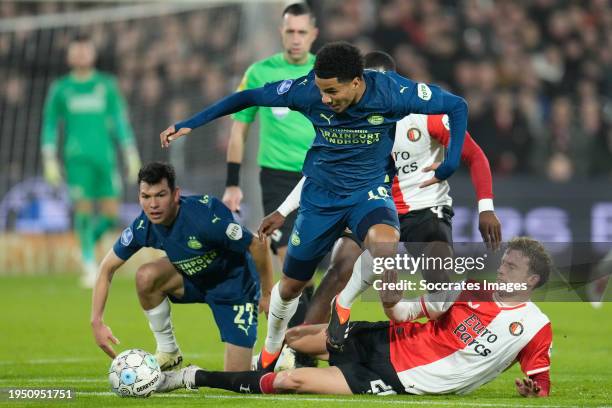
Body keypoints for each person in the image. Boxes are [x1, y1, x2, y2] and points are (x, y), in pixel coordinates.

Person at [159, 41, 468, 369]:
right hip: (320, 198)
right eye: (321, 90)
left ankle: (349, 304)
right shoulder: (305, 90)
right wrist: (191, 122)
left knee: (384, 242)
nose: (324, 99)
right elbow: (248, 96)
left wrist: (449, 164)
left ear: (356, 82)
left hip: (368, 193)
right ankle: (273, 343)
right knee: (291, 286)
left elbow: (457, 106)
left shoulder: (392, 92)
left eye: (332, 91)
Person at [260, 50, 502, 325]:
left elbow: (475, 155)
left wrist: (486, 208)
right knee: (339, 269)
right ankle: (299, 350)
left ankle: (443, 352)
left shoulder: (425, 114)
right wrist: (284, 209)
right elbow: (323, 174)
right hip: (368, 207)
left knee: (439, 276)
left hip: (423, 210)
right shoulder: (349, 120)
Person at [156, 237, 553, 398]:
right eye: (504, 263)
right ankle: (293, 352)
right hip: (387, 337)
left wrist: (533, 393)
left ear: (532, 280)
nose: (502, 271)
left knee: (290, 380)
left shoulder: (535, 326)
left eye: (512, 268)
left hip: (400, 377)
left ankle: (191, 376)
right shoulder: (468, 288)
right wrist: (391, 301)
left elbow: (541, 385)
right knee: (296, 338)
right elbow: (407, 312)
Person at [90, 162, 273, 371]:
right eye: (146, 197)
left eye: (160, 195)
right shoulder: (144, 225)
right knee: (146, 276)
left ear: (176, 194)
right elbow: (106, 268)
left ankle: (265, 359)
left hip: (234, 286)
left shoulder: (204, 219)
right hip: (193, 278)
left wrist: (267, 294)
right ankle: (168, 351)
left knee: (236, 378)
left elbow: (257, 245)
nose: (153, 205)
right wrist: (96, 321)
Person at [41, 34, 141, 288]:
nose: (82, 55)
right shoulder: (61, 88)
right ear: (69, 56)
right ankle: (88, 263)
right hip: (77, 159)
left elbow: (120, 121)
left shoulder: (107, 85)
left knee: (111, 214)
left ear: (93, 54)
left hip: (105, 158)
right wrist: (49, 157)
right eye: (77, 51)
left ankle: (85, 245)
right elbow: (50, 124)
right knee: (83, 211)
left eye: (86, 50)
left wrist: (130, 152)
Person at [224, 2, 317, 265]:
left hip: (320, 175)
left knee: (320, 260)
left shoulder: (326, 72)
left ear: (314, 34)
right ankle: (305, 302)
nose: (296, 39)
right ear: (281, 32)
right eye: (291, 32)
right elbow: (239, 128)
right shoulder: (259, 73)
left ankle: (315, 304)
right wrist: (232, 184)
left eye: (302, 32)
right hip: (278, 177)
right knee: (288, 256)